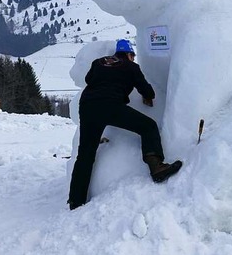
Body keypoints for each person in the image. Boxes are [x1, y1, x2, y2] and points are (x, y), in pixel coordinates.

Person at [68, 39, 182, 210]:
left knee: (85, 154)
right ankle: (156, 166)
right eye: (133, 55)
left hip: (87, 107)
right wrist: (148, 96)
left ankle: (76, 201)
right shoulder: (131, 67)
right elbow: (146, 89)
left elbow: (88, 79)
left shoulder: (98, 62)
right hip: (111, 106)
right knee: (148, 126)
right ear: (129, 54)